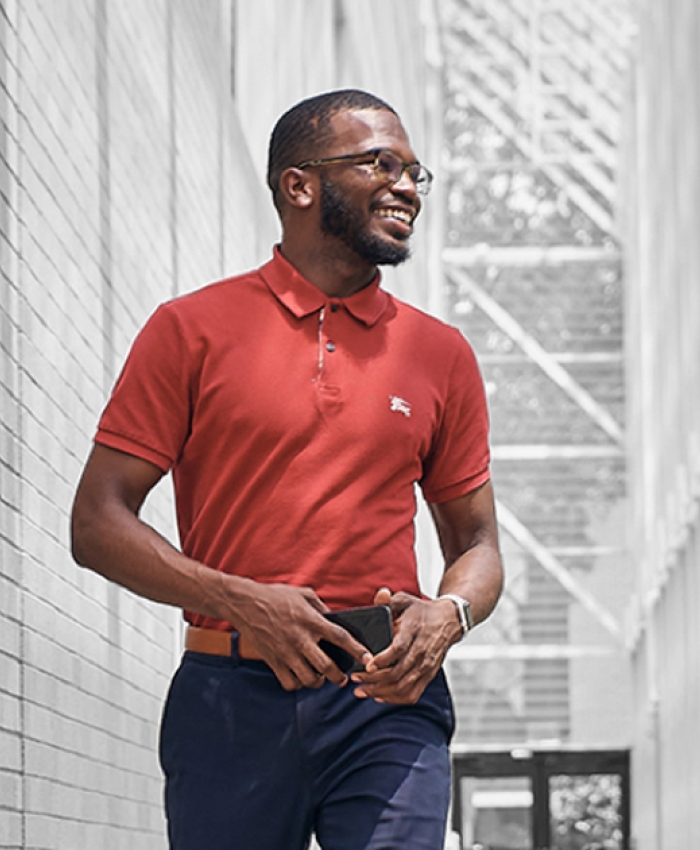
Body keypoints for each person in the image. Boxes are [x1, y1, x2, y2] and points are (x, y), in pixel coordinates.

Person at [70, 89, 503, 850]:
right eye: (380, 163)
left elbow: (478, 546)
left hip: (386, 695)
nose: (406, 186)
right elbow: (97, 522)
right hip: (229, 699)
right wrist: (239, 600)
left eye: (413, 171)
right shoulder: (190, 330)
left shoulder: (441, 354)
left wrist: (450, 613)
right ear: (298, 185)